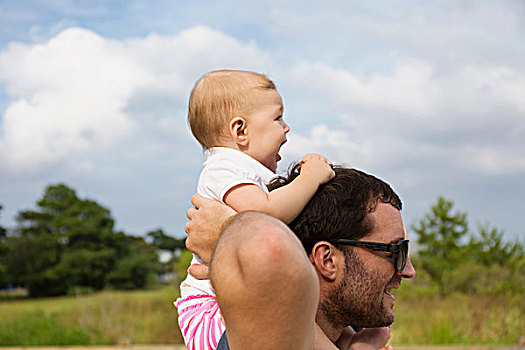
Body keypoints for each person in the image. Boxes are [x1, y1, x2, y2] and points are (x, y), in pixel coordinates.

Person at [176, 69, 335, 350]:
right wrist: (311, 178)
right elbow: (266, 215)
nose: (286, 128)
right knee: (291, 316)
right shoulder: (223, 167)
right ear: (241, 131)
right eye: (278, 118)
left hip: (233, 298)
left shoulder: (248, 173)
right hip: (210, 309)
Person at [184, 166, 416, 350]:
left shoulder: (353, 331)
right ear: (327, 260)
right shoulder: (264, 339)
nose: (408, 270)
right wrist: (228, 232)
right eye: (395, 251)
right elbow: (270, 245)